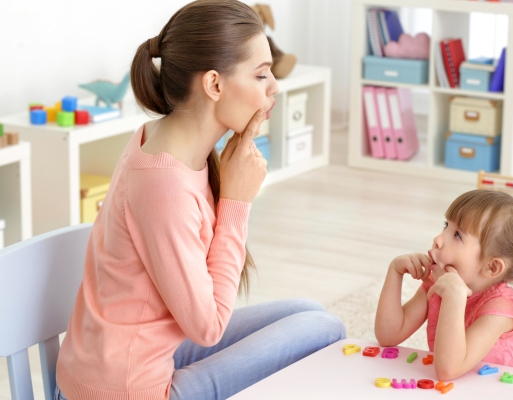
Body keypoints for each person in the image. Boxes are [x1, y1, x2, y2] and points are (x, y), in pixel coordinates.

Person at [55, 1, 345, 399]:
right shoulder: (163, 185)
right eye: (261, 75)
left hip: (138, 353)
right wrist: (236, 202)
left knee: (308, 311)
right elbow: (208, 327)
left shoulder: (157, 136)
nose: (274, 86)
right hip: (127, 388)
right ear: (214, 84)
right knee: (325, 330)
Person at [375, 190, 513, 380]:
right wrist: (395, 273)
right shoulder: (439, 282)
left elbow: (448, 370)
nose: (438, 239)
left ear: (492, 266)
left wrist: (454, 298)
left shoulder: (500, 310)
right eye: (446, 225)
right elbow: (388, 335)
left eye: (457, 235)